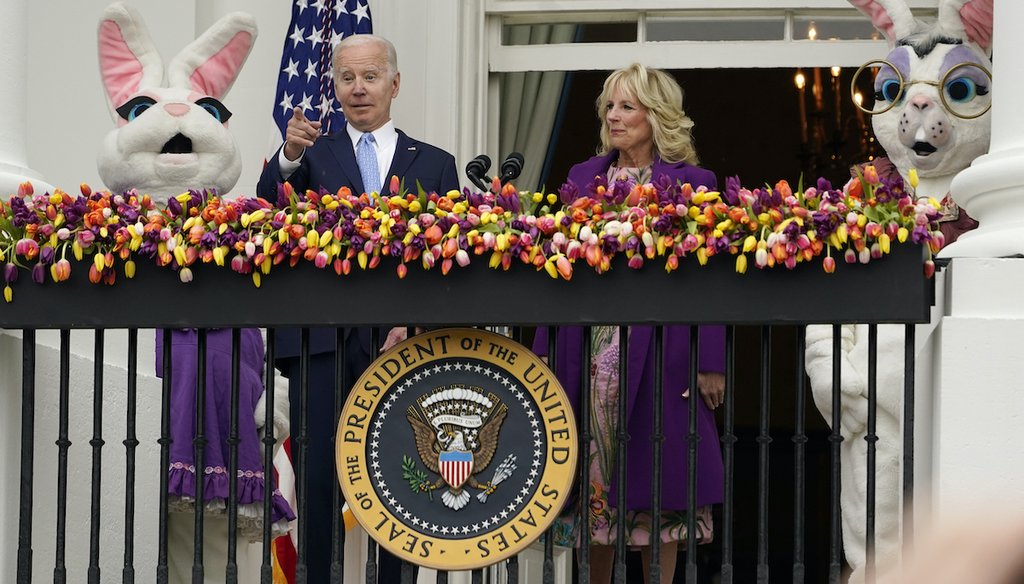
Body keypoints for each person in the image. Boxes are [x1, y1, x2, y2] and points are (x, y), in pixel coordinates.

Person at [256, 33, 459, 583]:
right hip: (320, 344)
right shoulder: (309, 157)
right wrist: (289, 158)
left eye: (370, 77)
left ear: (395, 84)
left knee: (402, 474)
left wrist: (414, 322)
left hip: (403, 346)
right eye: (347, 78)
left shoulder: (437, 165)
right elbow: (270, 214)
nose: (358, 88)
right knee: (318, 478)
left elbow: (446, 260)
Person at [534, 63, 725, 584]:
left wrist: (711, 361)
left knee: (658, 484)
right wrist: (543, 349)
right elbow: (556, 267)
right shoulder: (582, 179)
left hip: (662, 354)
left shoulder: (694, 183)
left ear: (656, 115)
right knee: (590, 479)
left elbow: (707, 277)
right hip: (587, 352)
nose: (614, 117)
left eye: (627, 107)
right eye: (610, 107)